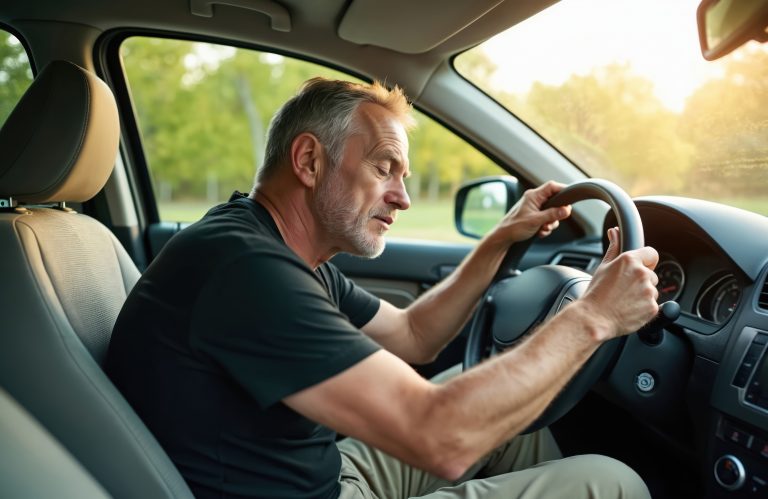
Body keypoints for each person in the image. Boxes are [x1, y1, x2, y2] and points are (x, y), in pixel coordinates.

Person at [105, 77, 660, 499]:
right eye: (383, 168)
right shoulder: (244, 270)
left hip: (323, 469)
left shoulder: (273, 248)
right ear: (308, 161)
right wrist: (593, 318)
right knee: (611, 482)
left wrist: (499, 239)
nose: (402, 197)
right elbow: (443, 440)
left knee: (506, 422)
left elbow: (411, 334)